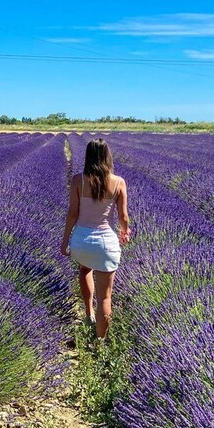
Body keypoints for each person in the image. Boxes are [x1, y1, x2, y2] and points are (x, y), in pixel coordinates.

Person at [60, 139, 130, 341]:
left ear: (88, 156)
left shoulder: (78, 180)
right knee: (106, 297)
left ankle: (89, 313)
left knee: (84, 270)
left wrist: (65, 241)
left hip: (81, 241)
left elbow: (72, 214)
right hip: (106, 243)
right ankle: (100, 342)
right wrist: (124, 232)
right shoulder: (118, 182)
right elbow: (123, 216)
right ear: (107, 156)